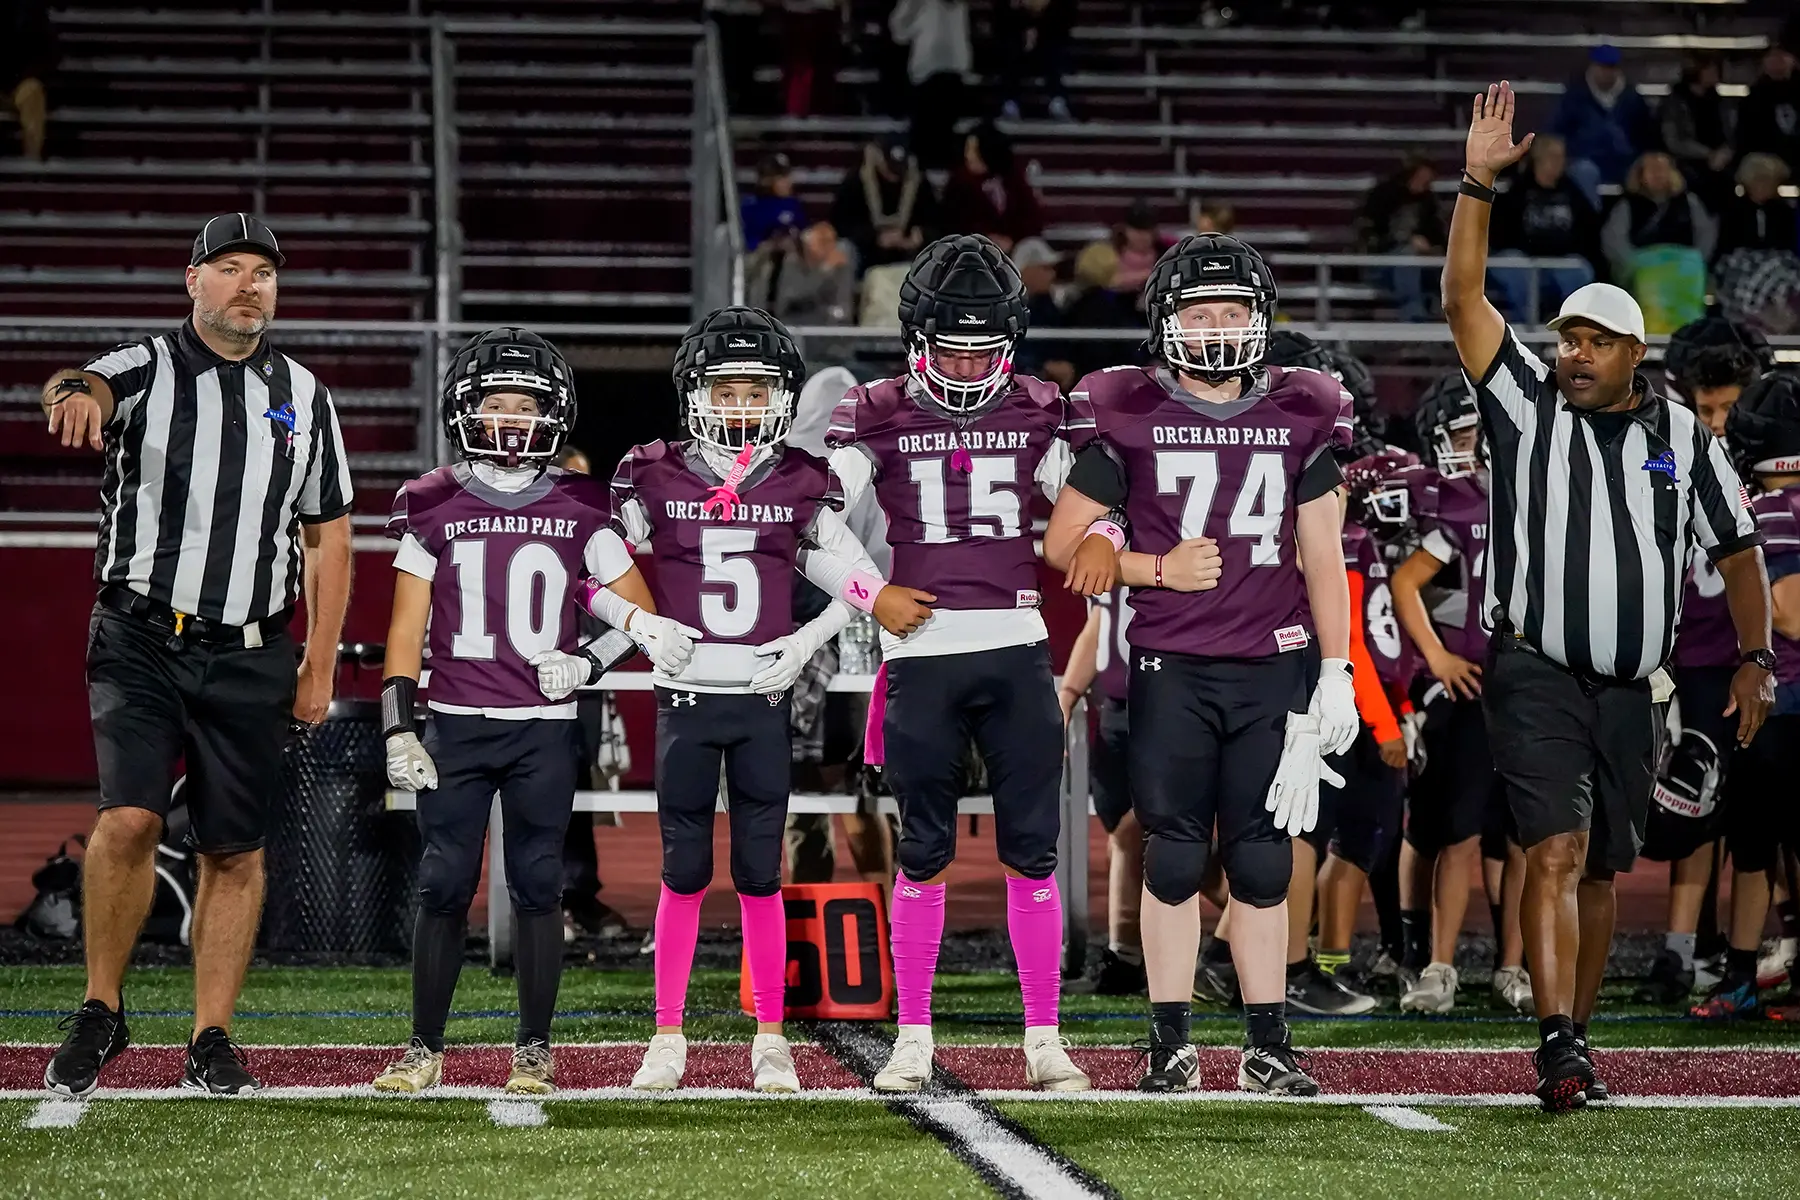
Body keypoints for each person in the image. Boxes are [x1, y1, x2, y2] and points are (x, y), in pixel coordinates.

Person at [1445, 81, 1773, 1112]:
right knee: (1556, 846)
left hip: (1633, 687)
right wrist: (1477, 185)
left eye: (1592, 339)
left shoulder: (1683, 435)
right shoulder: (1521, 405)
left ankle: (1576, 1037)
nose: (1570, 351)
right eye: (1566, 337)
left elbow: (1740, 550)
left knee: (1599, 871)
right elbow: (1464, 302)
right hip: (1534, 664)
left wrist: (1758, 656)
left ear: (1636, 353)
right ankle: (1553, 1041)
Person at [41, 214, 353, 1097]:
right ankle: (101, 1010)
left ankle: (211, 1033)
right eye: (230, 267)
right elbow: (81, 382)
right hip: (141, 634)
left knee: (234, 847)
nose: (250, 284)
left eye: (264, 272)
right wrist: (74, 400)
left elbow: (329, 534)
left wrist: (319, 664)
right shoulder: (145, 364)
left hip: (255, 648)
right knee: (130, 819)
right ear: (192, 280)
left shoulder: (303, 392)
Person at [1044, 232, 1357, 1095]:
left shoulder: (1306, 407)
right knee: (1174, 857)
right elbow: (1064, 542)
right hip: (1171, 666)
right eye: (1199, 310)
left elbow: (1323, 558)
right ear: (1165, 321)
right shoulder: (1124, 407)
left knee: (1261, 860)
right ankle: (1170, 1039)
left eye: (1232, 310)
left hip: (1271, 668)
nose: (1217, 327)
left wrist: (1338, 671)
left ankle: (1268, 1043)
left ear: (1261, 320)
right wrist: (1154, 567)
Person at [607, 308, 925, 1093]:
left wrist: (806, 642)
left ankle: (771, 1037)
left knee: (758, 871)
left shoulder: (795, 478)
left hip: (760, 692)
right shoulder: (651, 470)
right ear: (695, 394)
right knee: (682, 872)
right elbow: (591, 557)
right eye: (728, 389)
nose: (743, 405)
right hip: (685, 695)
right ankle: (668, 1035)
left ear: (782, 398)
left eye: (757, 391)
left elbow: (858, 579)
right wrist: (639, 622)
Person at [825, 234, 1103, 1094]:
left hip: (1017, 647)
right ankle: (914, 1034)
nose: (970, 362)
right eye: (954, 346)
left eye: (985, 347)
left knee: (1034, 851)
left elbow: (1096, 503)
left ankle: (1043, 1035)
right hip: (925, 655)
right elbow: (814, 519)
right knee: (922, 851)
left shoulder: (1040, 406)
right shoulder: (877, 408)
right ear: (917, 338)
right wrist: (873, 594)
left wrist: (1106, 541)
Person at [373, 329, 657, 1095]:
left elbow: (641, 612)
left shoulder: (583, 501)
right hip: (457, 723)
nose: (507, 419)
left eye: (523, 405)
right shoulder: (431, 497)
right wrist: (399, 721)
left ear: (552, 414)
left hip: (542, 727)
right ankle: (422, 1046)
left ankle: (534, 1047)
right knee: (441, 885)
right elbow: (406, 625)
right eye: (493, 404)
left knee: (539, 885)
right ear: (464, 411)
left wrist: (589, 660)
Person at [1635, 319, 1768, 1005]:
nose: (1717, 422)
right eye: (1706, 407)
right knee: (1692, 804)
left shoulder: (1765, 457)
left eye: (1728, 408)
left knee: (1755, 815)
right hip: (1690, 656)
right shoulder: (1667, 447)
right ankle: (1683, 947)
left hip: (1746, 655)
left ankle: (1729, 947)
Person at [1388, 382, 1529, 1016]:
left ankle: (1514, 967)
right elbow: (1406, 580)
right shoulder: (1468, 507)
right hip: (1477, 682)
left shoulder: (1548, 503)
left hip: (1535, 683)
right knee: (1461, 832)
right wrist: (1440, 657)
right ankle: (1441, 965)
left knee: (1527, 836)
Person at [1689, 369, 1800, 1021]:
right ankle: (1740, 976)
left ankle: (1737, 978)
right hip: (1778, 706)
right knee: (1758, 848)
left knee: (1756, 852)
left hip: (1781, 706)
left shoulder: (1773, 509)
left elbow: (1785, 612)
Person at [1057, 584, 1146, 996]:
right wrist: (1068, 694)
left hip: (1168, 702)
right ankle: (1127, 957)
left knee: (1141, 833)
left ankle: (1125, 959)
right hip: (1118, 707)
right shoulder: (1107, 536)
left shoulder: (1168, 529)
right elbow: (1102, 619)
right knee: (1123, 837)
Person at [1488, 134, 1600, 324]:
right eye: (1553, 156)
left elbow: (1588, 231)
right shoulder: (1516, 191)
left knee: (1579, 270)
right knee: (1516, 268)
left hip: (1562, 259)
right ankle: (1524, 333)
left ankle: (1568, 330)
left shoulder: (1572, 192)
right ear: (1538, 159)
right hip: (1524, 257)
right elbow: (1500, 235)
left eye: (1561, 157)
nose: (1560, 162)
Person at [1601, 152, 1718, 332]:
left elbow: (1705, 234)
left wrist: (1695, 261)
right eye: (1652, 170)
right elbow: (1614, 241)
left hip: (1684, 266)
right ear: (1640, 175)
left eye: (1663, 169)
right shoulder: (1627, 205)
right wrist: (1632, 264)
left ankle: (1688, 332)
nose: (1658, 174)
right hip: (1643, 265)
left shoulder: (1689, 202)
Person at [1551, 44, 1655, 207]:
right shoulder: (1575, 95)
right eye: (1602, 67)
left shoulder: (1632, 98)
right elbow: (1557, 130)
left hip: (1625, 160)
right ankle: (1589, 224)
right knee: (1584, 172)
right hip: (1585, 158)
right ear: (1592, 67)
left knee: (1645, 172)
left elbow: (1645, 134)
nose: (1606, 73)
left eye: (1611, 68)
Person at [1712, 154, 1800, 336]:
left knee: (1783, 274)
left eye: (1769, 180)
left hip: (1776, 263)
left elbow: (1787, 247)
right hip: (1740, 264)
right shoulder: (1733, 209)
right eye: (1760, 180)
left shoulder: (1783, 211)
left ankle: (1778, 323)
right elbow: (1725, 246)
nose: (1765, 185)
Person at [1355, 152, 1445, 322]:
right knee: (1406, 256)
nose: (1426, 183)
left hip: (1424, 264)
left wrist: (1430, 248)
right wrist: (1406, 241)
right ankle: (1413, 317)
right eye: (1422, 178)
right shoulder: (1381, 197)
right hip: (1381, 264)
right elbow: (1370, 238)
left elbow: (1440, 236)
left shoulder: (1429, 203)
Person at [830, 134, 940, 273]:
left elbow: (935, 222)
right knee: (845, 249)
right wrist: (875, 238)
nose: (894, 176)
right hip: (866, 253)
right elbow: (840, 223)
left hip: (910, 255)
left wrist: (920, 235)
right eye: (890, 167)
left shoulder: (920, 183)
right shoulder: (856, 181)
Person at [888, 0, 972, 171]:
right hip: (927, 73)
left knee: (943, 139)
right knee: (923, 140)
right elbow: (898, 31)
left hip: (951, 71)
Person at [940, 121, 1045, 253]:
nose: (968, 156)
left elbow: (1030, 216)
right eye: (967, 149)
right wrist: (986, 238)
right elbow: (952, 224)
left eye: (974, 150)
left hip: (1013, 247)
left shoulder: (1012, 178)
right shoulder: (959, 182)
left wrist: (1012, 240)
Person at [1658, 52, 1735, 208]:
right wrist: (1709, 154)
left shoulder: (1721, 101)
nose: (1715, 74)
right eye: (1710, 70)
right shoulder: (1674, 102)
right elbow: (1674, 142)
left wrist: (1725, 152)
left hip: (1720, 161)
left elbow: (1732, 134)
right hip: (1687, 161)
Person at [748, 219, 856, 326]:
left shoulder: (839, 265)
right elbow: (788, 301)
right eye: (821, 242)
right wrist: (823, 274)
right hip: (792, 325)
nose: (825, 247)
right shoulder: (789, 264)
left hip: (827, 330)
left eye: (829, 242)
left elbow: (843, 310)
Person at [1011, 236, 1077, 391]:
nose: (1052, 275)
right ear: (1025, 269)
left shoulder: (1046, 304)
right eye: (1045, 268)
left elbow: (1059, 343)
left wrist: (1064, 365)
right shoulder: (1004, 306)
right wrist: (1042, 366)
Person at [993, 0, 1073, 122]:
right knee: (1010, 48)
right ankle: (1010, 101)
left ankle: (1057, 100)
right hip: (1015, 29)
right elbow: (1001, 13)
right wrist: (1024, 23)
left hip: (1049, 29)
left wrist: (1038, 25)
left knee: (1053, 48)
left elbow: (1065, 12)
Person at [1736, 38, 1800, 176]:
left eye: (1781, 55)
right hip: (1766, 159)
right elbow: (1746, 137)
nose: (1777, 60)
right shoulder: (1754, 97)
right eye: (1772, 56)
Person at [0, 0, 50, 161]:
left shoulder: (28, 10)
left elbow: (49, 53)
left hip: (18, 83)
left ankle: (31, 158)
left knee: (32, 91)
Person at [741, 153, 807, 253]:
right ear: (766, 180)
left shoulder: (792, 204)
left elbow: (804, 232)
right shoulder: (751, 206)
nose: (788, 182)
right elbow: (748, 244)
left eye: (787, 176)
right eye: (782, 177)